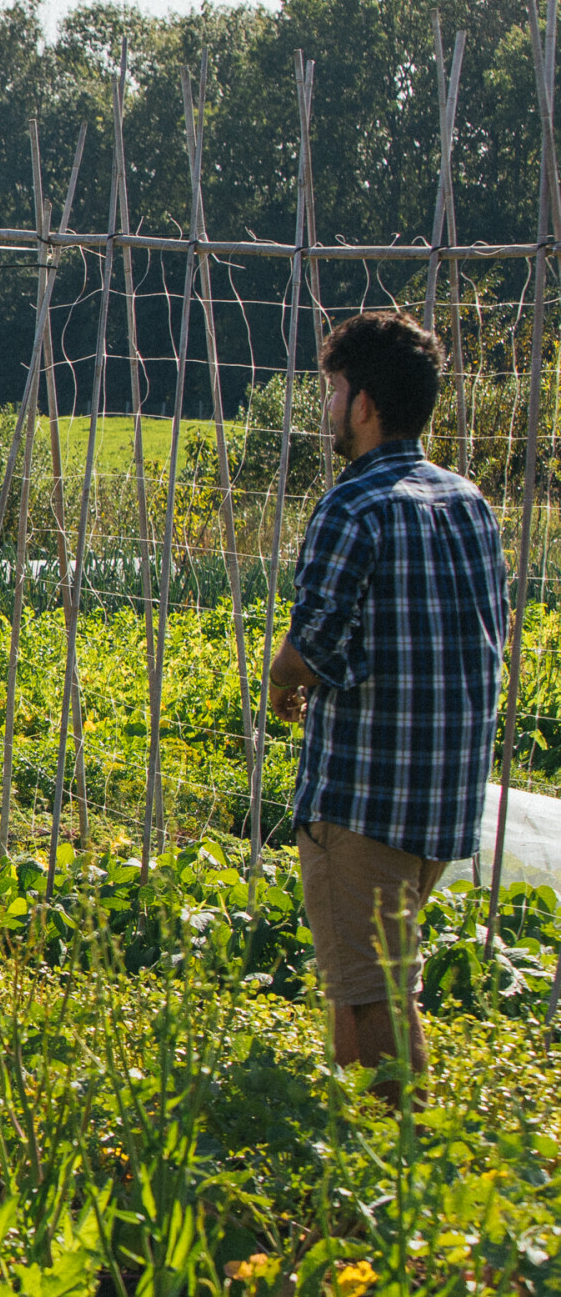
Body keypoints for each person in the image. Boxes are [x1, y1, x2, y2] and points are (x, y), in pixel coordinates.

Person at [265, 311, 504, 1103]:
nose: (326, 406)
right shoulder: (466, 502)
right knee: (361, 970)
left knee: (373, 995)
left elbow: (317, 644)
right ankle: (348, 1134)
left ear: (363, 403)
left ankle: (403, 1157)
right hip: (440, 798)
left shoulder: (354, 504)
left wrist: (280, 678)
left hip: (364, 796)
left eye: (333, 389)